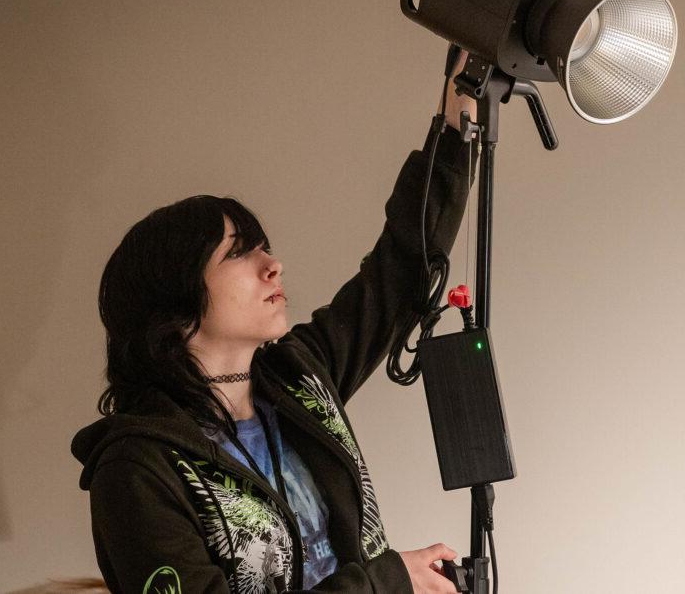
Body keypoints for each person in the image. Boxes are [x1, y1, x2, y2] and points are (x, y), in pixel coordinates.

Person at [71, 48, 478, 593]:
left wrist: (458, 117)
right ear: (176, 300)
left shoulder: (298, 377)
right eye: (239, 253)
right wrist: (383, 584)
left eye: (264, 247)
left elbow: (400, 267)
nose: (273, 265)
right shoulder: (137, 470)